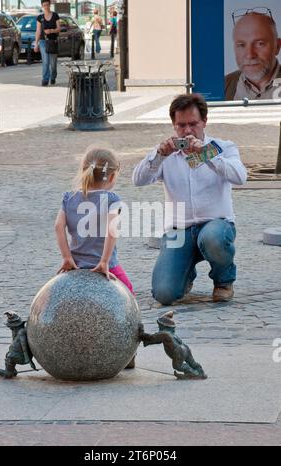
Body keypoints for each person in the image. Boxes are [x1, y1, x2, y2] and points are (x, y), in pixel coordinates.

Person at [132, 94, 247, 306]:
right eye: (181, 125)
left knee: (212, 238)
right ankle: (185, 272)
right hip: (179, 230)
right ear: (174, 126)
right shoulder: (168, 153)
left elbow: (240, 177)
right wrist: (159, 155)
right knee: (164, 294)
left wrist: (206, 155)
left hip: (216, 224)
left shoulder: (223, 147)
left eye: (193, 124)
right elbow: (137, 180)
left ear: (204, 121)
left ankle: (224, 280)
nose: (187, 131)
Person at [55, 146, 134, 294]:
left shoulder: (69, 198)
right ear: (112, 177)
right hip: (105, 264)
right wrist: (104, 262)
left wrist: (67, 257)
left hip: (76, 264)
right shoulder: (112, 199)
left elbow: (58, 226)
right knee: (128, 292)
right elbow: (112, 230)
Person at [225, 10, 281, 100]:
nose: (250, 55)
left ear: (277, 46)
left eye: (260, 44)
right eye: (241, 45)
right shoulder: (223, 86)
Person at [34, 0, 61, 86]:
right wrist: (36, 43)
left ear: (50, 5)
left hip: (53, 41)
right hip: (43, 41)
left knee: (53, 63)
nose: (46, 6)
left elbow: (59, 28)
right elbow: (38, 31)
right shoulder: (40, 18)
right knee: (45, 62)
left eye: (47, 5)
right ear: (42, 6)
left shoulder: (55, 15)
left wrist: (52, 30)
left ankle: (53, 77)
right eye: (44, 5)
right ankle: (45, 79)